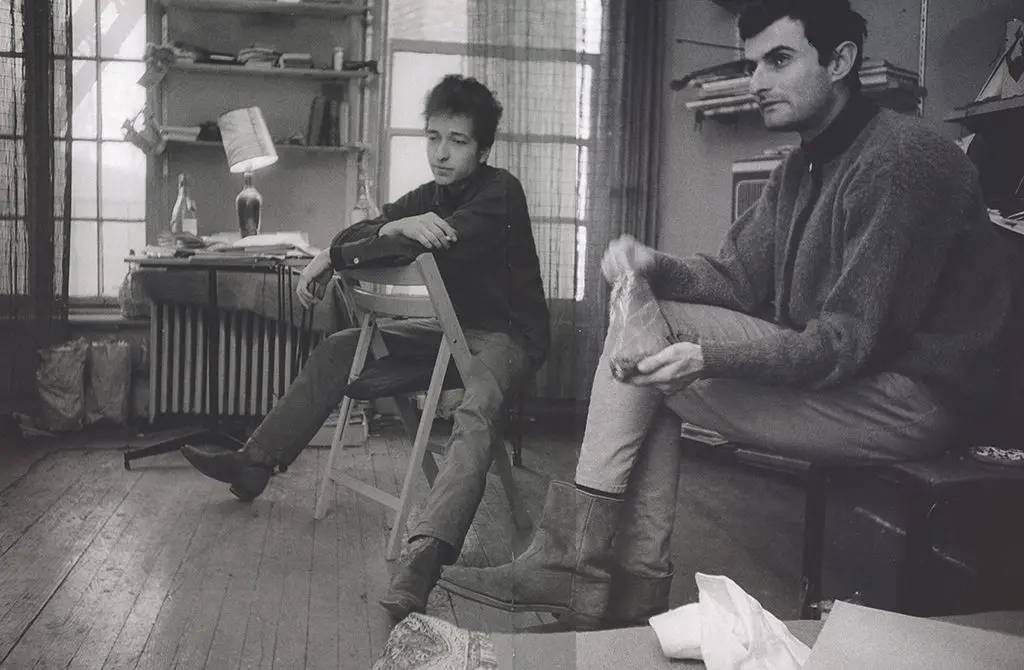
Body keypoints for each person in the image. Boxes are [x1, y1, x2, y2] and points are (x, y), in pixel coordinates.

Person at [438, 0, 1010, 630]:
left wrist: (708, 357)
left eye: (780, 60)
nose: (757, 81)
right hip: (859, 374)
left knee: (654, 354)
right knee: (651, 354)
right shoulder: (802, 165)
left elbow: (845, 342)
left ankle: (587, 569)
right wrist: (653, 261)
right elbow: (737, 281)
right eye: (752, 64)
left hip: (915, 399)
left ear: (841, 60)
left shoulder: (903, 161)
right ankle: (625, 581)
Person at [180, 74, 550, 620]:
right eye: (432, 137)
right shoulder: (429, 198)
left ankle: (425, 556)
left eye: (458, 140)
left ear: (484, 148)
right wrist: (357, 243)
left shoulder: (500, 193)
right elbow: (361, 236)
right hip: (448, 329)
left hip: (507, 335)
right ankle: (253, 462)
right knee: (337, 348)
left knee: (477, 406)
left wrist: (363, 244)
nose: (441, 153)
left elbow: (426, 247)